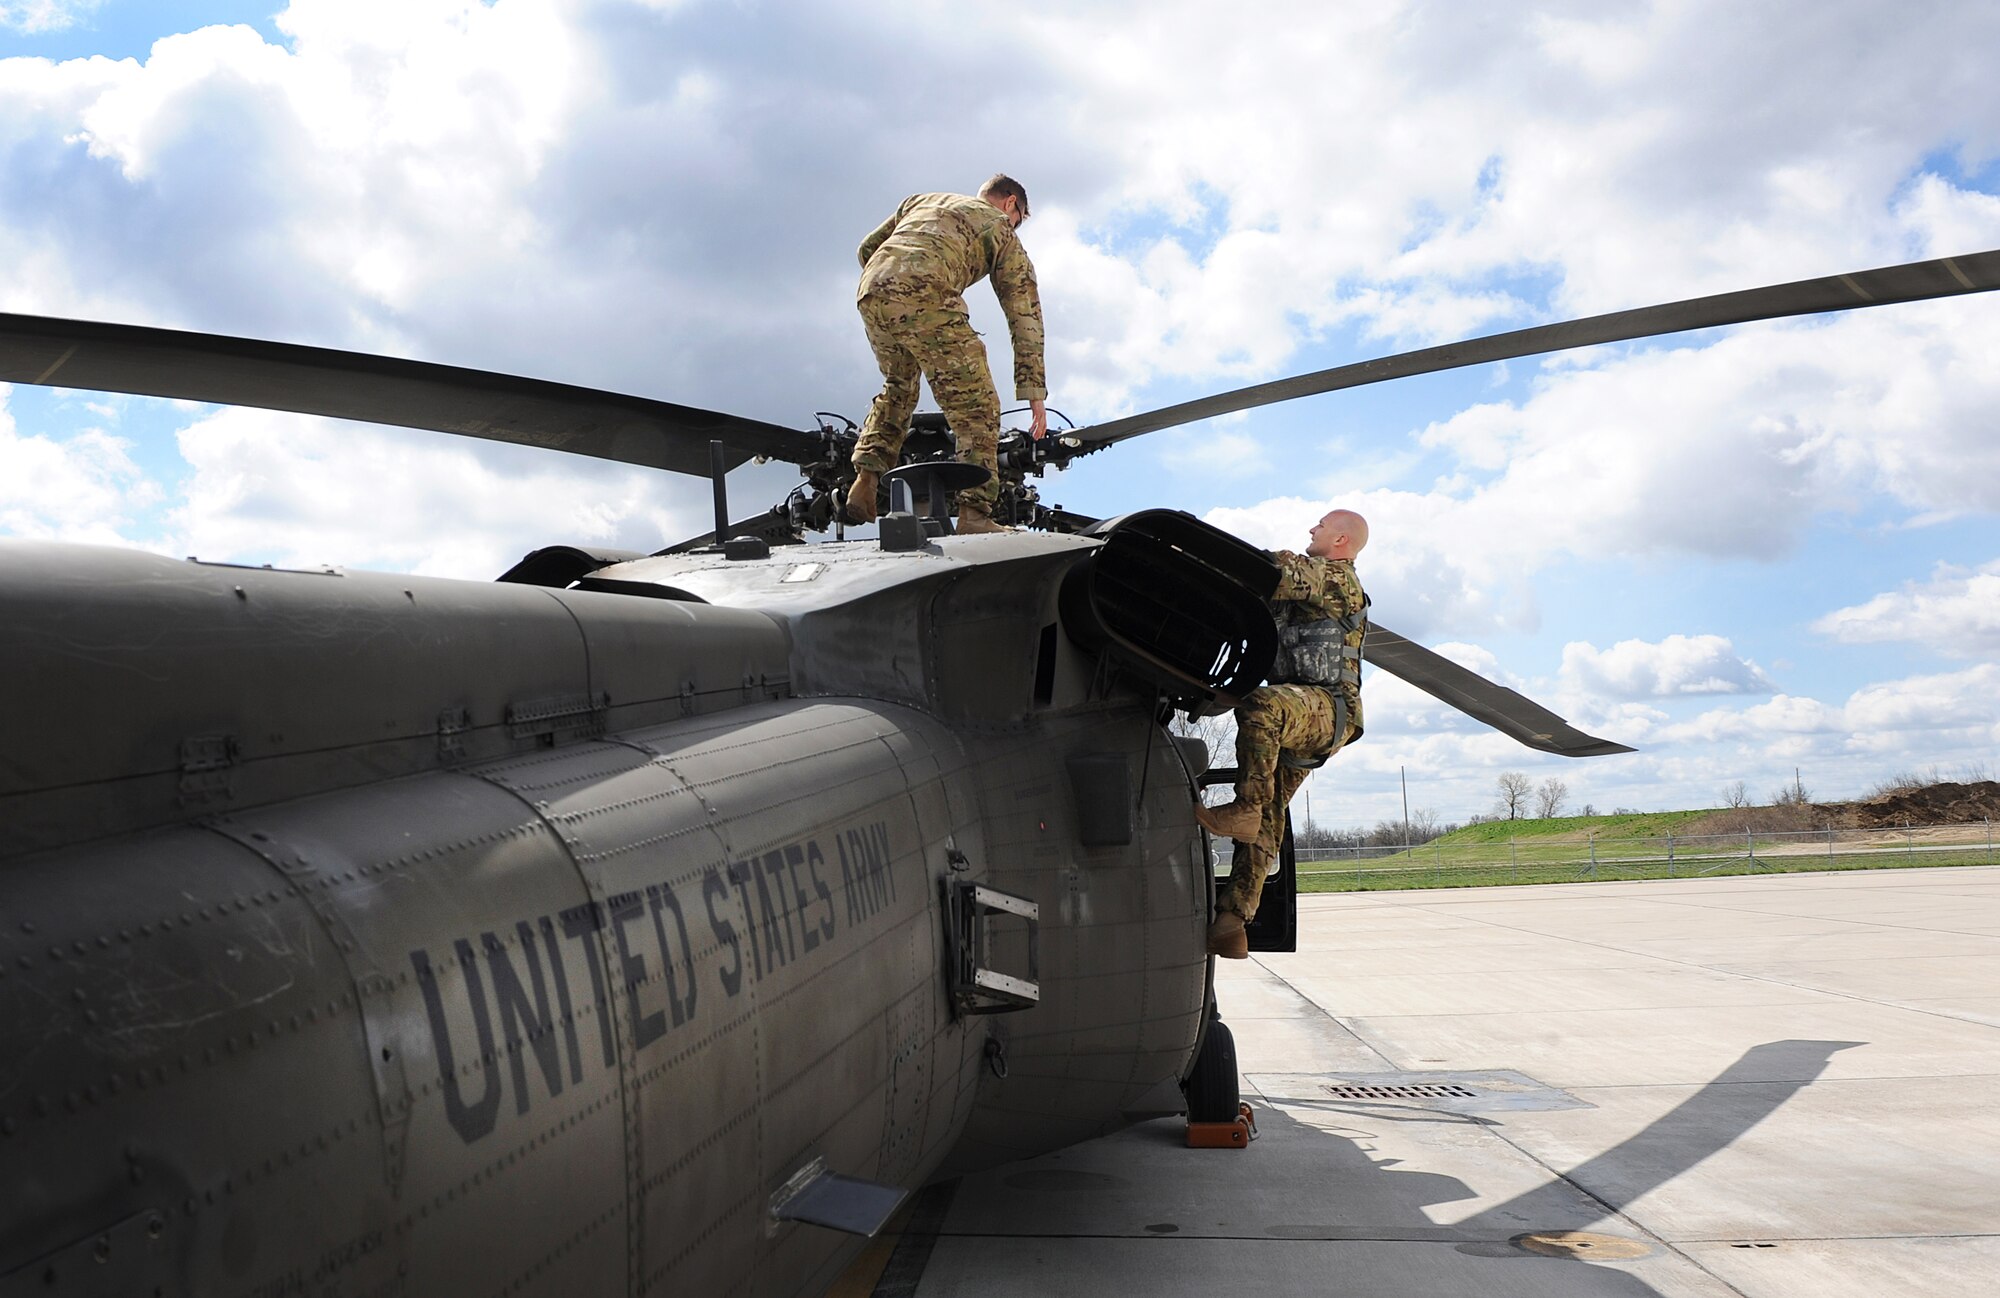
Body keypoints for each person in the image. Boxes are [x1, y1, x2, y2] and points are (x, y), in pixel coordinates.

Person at [1195, 509, 1370, 958]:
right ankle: (1231, 924)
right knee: (1269, 818)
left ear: (1341, 540)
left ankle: (1244, 807)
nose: (1312, 529)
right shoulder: (1302, 594)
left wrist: (1211, 548)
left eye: (1321, 526)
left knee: (1262, 704)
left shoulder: (1338, 580)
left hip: (1329, 711)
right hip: (1301, 719)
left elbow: (1276, 572)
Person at [846, 175, 1047, 535]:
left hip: (872, 292)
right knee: (978, 407)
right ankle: (975, 515)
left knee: (900, 387)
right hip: (928, 293)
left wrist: (894, 286)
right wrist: (1034, 393)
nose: (1016, 228)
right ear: (1010, 204)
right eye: (1020, 221)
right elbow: (1024, 314)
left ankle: (867, 476)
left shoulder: (922, 200)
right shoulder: (1000, 227)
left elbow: (866, 248)